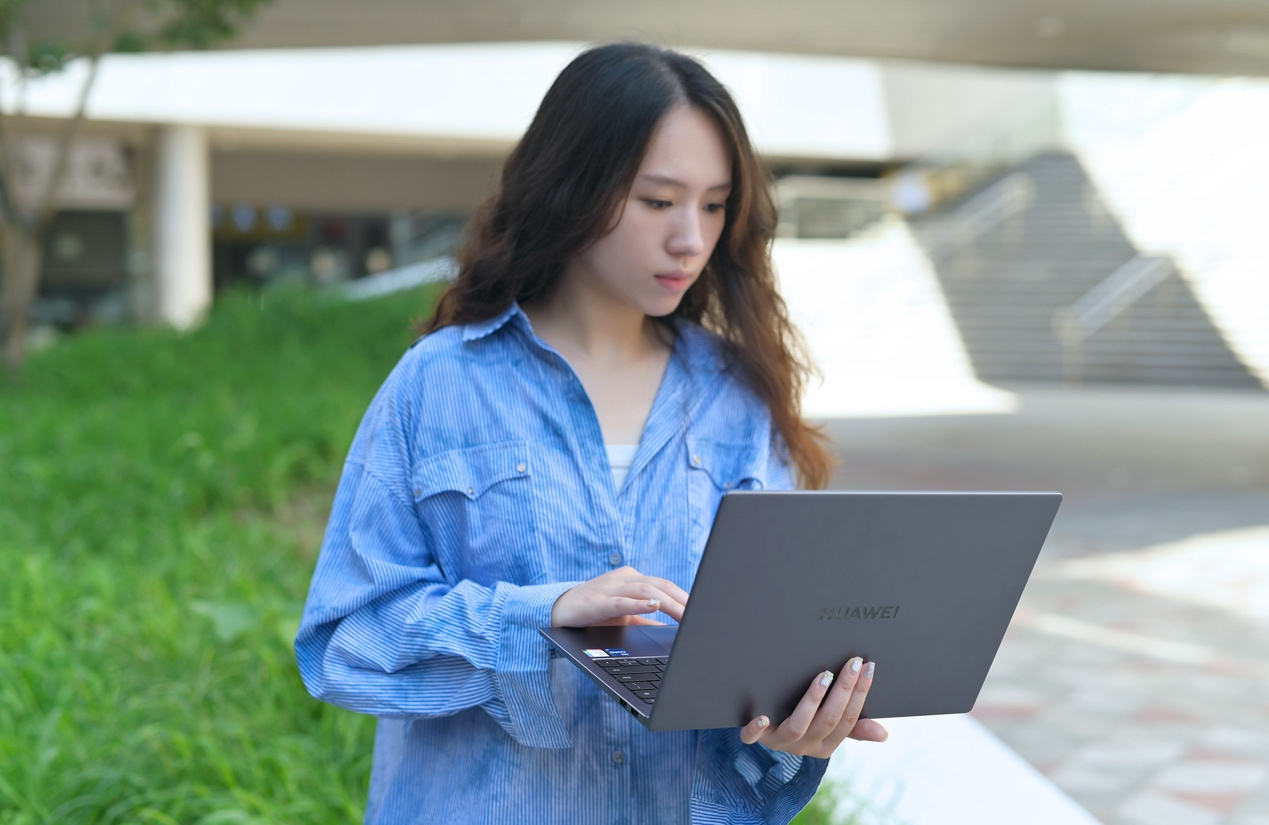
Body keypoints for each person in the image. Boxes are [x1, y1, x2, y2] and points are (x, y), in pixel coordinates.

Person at [295, 42, 888, 825]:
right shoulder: (438, 385)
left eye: (714, 205)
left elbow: (752, 695)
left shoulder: (735, 398)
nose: (691, 238)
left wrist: (794, 732)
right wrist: (539, 617)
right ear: (573, 187)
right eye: (657, 201)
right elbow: (344, 643)